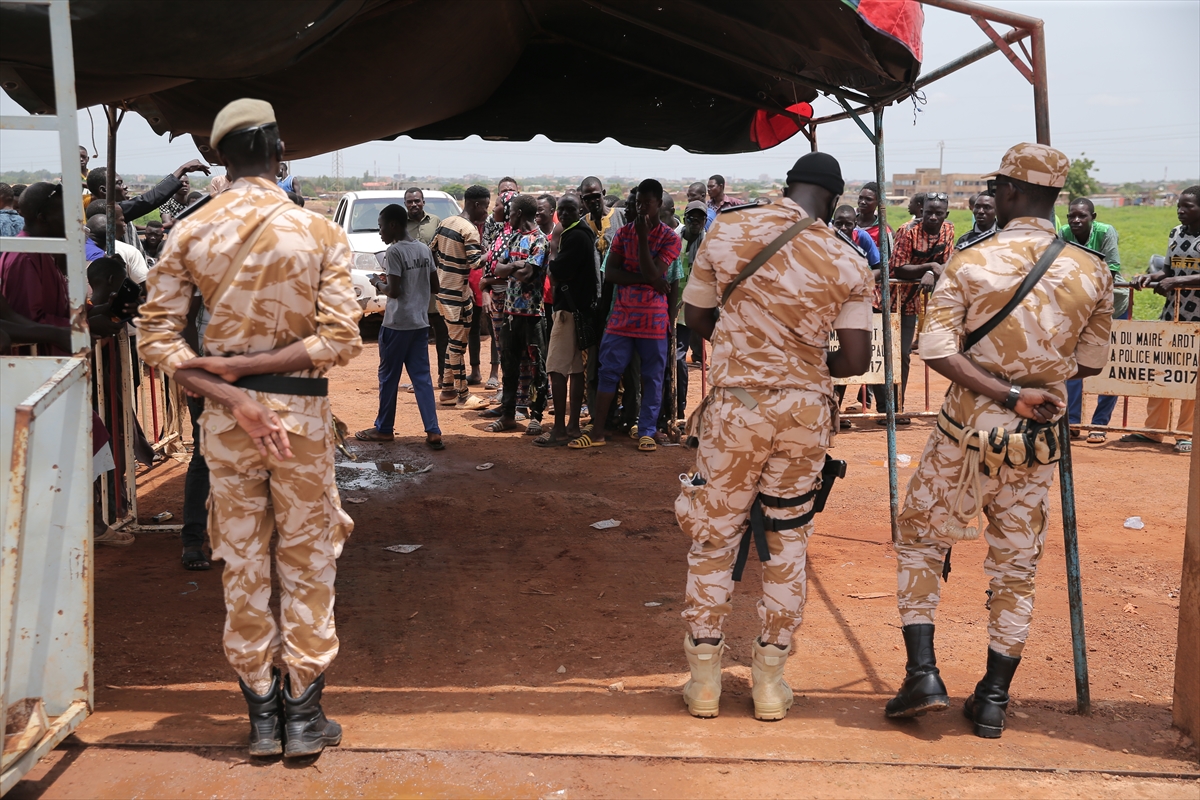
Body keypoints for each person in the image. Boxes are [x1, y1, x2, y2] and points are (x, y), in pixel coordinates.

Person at [136, 98, 362, 759]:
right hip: (302, 423)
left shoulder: (190, 232)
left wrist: (233, 390)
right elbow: (341, 338)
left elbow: (157, 339)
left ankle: (262, 717)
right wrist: (264, 369)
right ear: (280, 150)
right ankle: (303, 716)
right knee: (308, 560)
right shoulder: (319, 234)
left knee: (241, 565)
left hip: (229, 426)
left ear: (219, 160)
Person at [885, 144, 1112, 740]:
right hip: (1036, 442)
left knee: (920, 540)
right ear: (1057, 196)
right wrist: (1031, 385)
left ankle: (924, 675)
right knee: (1016, 566)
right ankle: (991, 699)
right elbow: (1088, 362)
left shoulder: (971, 260)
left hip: (963, 435)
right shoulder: (1092, 269)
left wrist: (1002, 391)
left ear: (1010, 193)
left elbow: (935, 350)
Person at [676, 152, 872, 721]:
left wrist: (747, 344)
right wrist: (805, 363)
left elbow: (697, 320)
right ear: (834, 199)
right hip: (805, 414)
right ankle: (768, 682)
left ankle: (705, 682)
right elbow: (855, 359)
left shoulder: (728, 229)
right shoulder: (847, 258)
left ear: (787, 186)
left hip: (735, 409)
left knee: (714, 537)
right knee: (787, 543)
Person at [569, 179, 680, 452]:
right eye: (638, 202)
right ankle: (597, 432)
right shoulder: (623, 234)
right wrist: (649, 280)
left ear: (658, 203)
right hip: (621, 315)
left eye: (647, 203)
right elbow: (613, 275)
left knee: (652, 376)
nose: (641, 207)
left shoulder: (669, 237)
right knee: (608, 372)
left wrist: (643, 240)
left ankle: (647, 431)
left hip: (653, 318)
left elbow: (656, 273)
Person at [356, 204, 443, 449]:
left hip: (396, 325)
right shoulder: (424, 249)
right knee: (422, 379)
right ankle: (433, 430)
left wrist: (377, 282)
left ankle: (384, 428)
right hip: (419, 323)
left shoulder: (394, 252)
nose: (380, 232)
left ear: (394, 225)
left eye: (382, 226)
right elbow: (435, 286)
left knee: (388, 378)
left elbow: (394, 291)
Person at [1126, 185, 1200, 454]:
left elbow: (1176, 277)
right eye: (1179, 205)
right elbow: (1167, 270)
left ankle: (1185, 433)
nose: (1181, 210)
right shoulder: (1176, 233)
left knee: (1191, 374)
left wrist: (1176, 281)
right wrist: (1148, 277)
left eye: (1188, 206)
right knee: (1162, 368)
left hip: (1197, 320)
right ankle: (1154, 430)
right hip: (1172, 313)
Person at [874, 192, 955, 424]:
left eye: (938, 214)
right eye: (928, 212)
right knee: (884, 353)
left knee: (904, 355)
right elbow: (898, 269)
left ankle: (898, 408)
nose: (932, 217)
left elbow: (946, 263)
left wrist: (931, 272)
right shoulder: (907, 231)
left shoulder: (948, 231)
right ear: (922, 211)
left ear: (945, 215)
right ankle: (884, 409)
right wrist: (930, 266)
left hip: (910, 301)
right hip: (887, 298)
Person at [1060, 197, 1125, 442]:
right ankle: (1074, 421)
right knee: (1074, 364)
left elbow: (1113, 269)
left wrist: (1077, 279)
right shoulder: (1064, 233)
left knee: (1108, 364)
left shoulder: (1106, 232)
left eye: (1082, 216)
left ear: (1092, 217)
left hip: (1112, 306)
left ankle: (1100, 424)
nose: (1076, 220)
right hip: (1077, 307)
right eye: (1071, 216)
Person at [538, 193, 597, 446]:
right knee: (575, 369)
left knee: (556, 369)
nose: (563, 214)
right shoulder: (584, 233)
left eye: (569, 209)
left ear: (580, 209)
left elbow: (558, 269)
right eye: (560, 210)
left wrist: (553, 254)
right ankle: (572, 426)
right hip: (580, 311)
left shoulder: (573, 236)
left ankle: (559, 429)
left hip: (567, 313)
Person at [487, 194, 549, 434]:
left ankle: (536, 416)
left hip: (532, 315)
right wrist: (516, 266)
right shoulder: (513, 237)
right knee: (509, 366)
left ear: (520, 213)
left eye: (510, 213)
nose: (507, 217)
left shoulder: (540, 241)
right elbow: (498, 269)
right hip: (511, 313)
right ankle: (508, 415)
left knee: (537, 368)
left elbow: (528, 274)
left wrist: (511, 268)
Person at [429, 186, 490, 411]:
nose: (486, 211)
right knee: (457, 344)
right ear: (476, 205)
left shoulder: (446, 222)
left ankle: (447, 390)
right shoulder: (470, 230)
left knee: (454, 342)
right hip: (456, 293)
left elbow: (431, 250)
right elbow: (476, 262)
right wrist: (491, 252)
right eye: (485, 206)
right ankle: (463, 395)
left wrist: (446, 267)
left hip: (446, 291)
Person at [87, 159, 210, 253]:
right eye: (119, 183)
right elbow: (151, 199)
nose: (124, 187)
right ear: (103, 190)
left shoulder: (113, 209)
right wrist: (183, 169)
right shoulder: (110, 211)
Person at [0, 183, 70, 333]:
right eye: (66, 214)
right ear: (43, 218)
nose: (73, 221)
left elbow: (59, 310)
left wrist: (93, 314)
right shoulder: (24, 256)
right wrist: (80, 327)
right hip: (41, 355)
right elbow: (29, 321)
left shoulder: (44, 251)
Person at [404, 188, 447, 389]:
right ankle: (420, 379)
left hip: (434, 284)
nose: (414, 205)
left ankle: (442, 376)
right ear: (405, 203)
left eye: (417, 201)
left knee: (441, 333)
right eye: (410, 201)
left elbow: (442, 250)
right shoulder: (401, 224)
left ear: (423, 202)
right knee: (416, 337)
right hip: (411, 287)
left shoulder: (436, 222)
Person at [86, 205, 149, 285]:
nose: (125, 224)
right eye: (122, 220)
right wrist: (120, 272)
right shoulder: (129, 251)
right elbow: (145, 287)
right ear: (110, 223)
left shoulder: (76, 248)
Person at [856, 181, 892, 254]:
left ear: (878, 203)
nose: (862, 202)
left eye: (868, 199)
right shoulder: (849, 223)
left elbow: (887, 260)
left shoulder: (882, 231)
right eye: (860, 198)